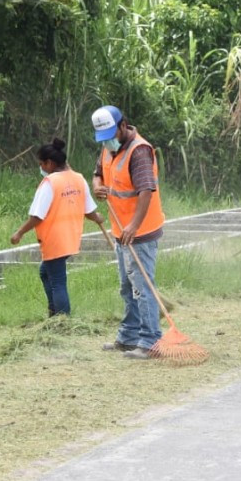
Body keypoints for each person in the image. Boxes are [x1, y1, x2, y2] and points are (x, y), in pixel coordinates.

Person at [90, 105, 166, 360]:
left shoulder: (139, 151)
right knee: (127, 286)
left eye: (111, 135)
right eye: (103, 138)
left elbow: (146, 191)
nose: (107, 142)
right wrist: (97, 187)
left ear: (123, 126)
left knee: (142, 287)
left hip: (141, 231)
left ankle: (151, 341)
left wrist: (133, 225)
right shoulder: (108, 147)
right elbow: (97, 175)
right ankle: (129, 336)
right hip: (120, 230)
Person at [10, 138, 105, 317]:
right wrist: (98, 217)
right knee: (45, 272)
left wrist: (19, 233)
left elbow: (37, 216)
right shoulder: (78, 178)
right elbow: (89, 211)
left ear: (50, 163)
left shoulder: (50, 183)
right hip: (71, 236)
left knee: (58, 281)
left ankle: (62, 319)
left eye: (41, 164)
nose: (41, 168)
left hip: (54, 239)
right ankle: (54, 312)